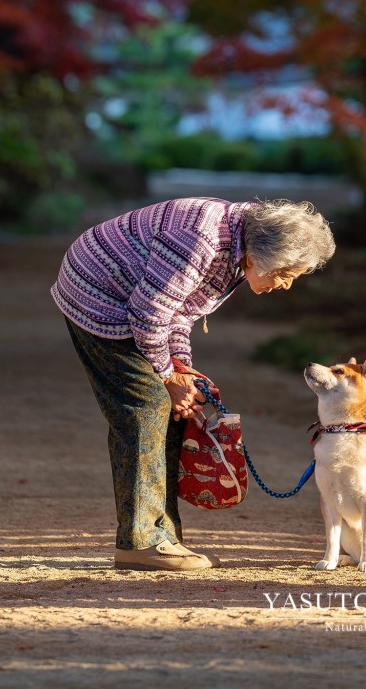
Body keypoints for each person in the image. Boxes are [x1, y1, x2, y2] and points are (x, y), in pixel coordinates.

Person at [52, 196, 335, 571]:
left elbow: (180, 313)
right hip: (98, 293)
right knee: (145, 408)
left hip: (135, 304)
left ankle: (162, 536)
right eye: (286, 274)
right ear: (264, 253)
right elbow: (149, 313)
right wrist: (167, 376)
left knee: (170, 410)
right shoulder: (200, 241)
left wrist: (182, 368)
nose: (285, 286)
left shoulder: (240, 249)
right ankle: (140, 543)